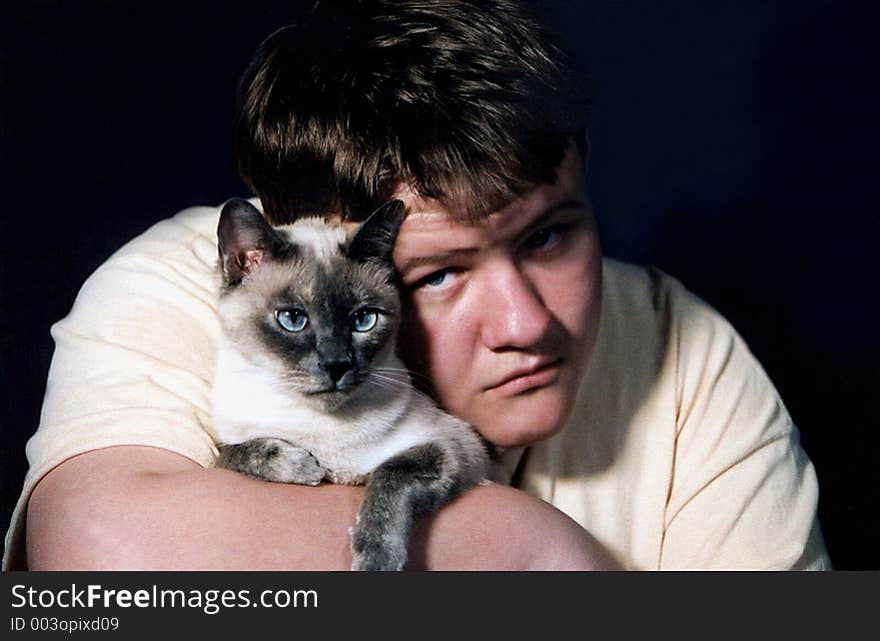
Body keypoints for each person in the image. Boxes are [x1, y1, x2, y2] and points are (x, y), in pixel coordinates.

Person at [4, 0, 829, 570]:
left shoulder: (683, 345)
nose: (524, 321)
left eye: (548, 234)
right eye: (437, 272)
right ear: (322, 243)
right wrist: (527, 549)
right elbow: (93, 577)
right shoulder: (196, 291)